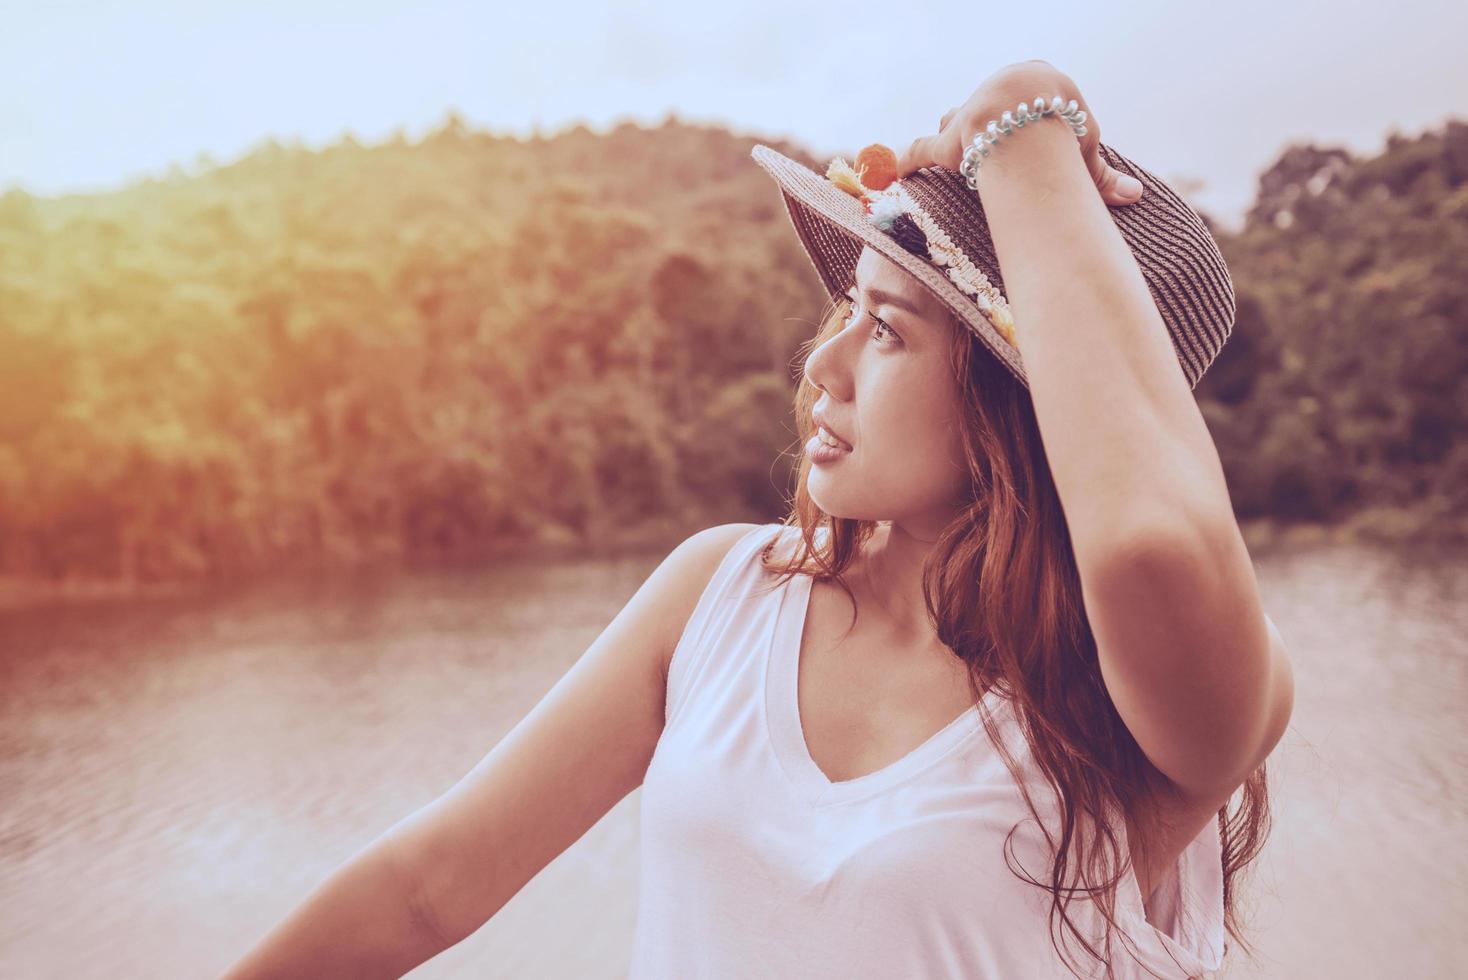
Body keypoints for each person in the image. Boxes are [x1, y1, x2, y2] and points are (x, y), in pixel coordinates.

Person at [221, 60, 1293, 979]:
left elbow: (1147, 539)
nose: (822, 366)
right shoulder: (725, 594)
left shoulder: (1155, 702)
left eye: (886, 331)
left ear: (1018, 402)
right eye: (845, 312)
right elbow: (425, 888)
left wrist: (1023, 119)